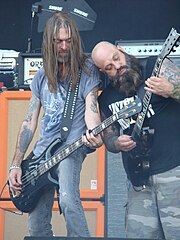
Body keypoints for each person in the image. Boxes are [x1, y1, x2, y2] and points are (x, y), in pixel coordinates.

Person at [8, 12, 103, 237]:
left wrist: (95, 132)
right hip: (41, 157)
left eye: (68, 41)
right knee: (37, 226)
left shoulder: (87, 72)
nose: (63, 46)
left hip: (70, 149)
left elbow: (92, 110)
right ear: (49, 42)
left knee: (69, 200)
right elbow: (29, 122)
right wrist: (16, 164)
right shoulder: (41, 77)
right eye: (58, 41)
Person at [91, 41, 180, 240]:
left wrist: (172, 90)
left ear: (121, 50)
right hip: (139, 182)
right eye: (109, 68)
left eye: (116, 58)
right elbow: (110, 138)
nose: (117, 67)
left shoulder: (156, 67)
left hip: (174, 173)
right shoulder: (106, 98)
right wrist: (116, 143)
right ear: (103, 71)